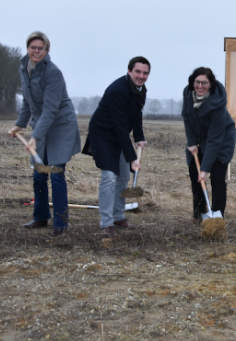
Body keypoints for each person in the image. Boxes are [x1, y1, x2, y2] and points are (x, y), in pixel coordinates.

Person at [9, 31, 81, 237]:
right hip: (42, 125)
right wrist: (20, 125)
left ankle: (61, 224)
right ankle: (40, 217)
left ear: (46, 50)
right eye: (33, 47)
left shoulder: (53, 73)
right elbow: (28, 102)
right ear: (28, 48)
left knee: (55, 173)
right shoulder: (25, 68)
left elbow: (50, 110)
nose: (36, 51)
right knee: (39, 173)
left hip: (60, 126)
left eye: (41, 48)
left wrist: (35, 136)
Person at [83, 57, 149, 238]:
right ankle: (106, 223)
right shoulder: (117, 90)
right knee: (109, 177)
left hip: (118, 135)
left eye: (145, 73)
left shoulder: (140, 90)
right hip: (103, 135)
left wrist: (139, 137)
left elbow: (136, 114)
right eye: (138, 72)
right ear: (129, 71)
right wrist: (133, 158)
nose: (141, 76)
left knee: (124, 176)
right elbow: (120, 128)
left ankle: (118, 216)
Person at [181, 67, 236, 221]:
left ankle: (217, 217)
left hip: (221, 140)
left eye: (204, 83)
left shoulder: (217, 103)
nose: (200, 86)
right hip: (197, 141)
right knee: (195, 177)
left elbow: (214, 139)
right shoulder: (187, 94)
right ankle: (199, 214)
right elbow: (186, 116)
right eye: (197, 82)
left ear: (211, 84)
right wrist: (191, 142)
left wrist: (205, 169)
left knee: (217, 179)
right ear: (193, 82)